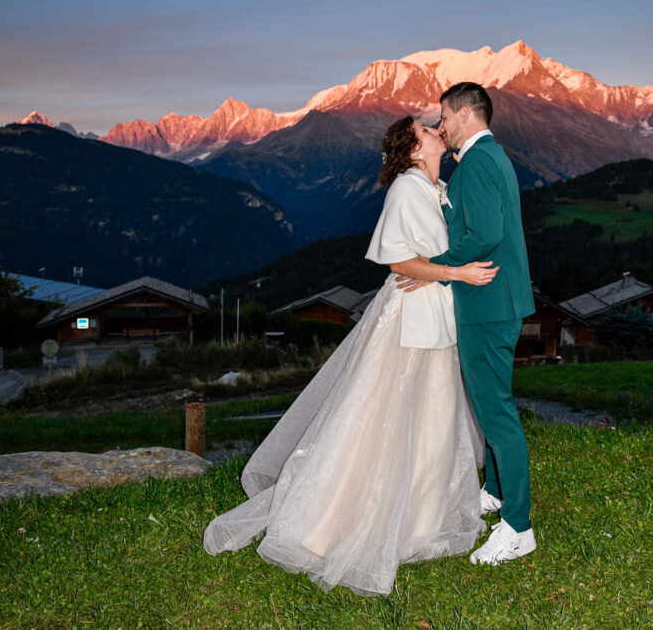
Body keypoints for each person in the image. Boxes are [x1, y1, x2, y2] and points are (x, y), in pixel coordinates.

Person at [203, 116, 498, 596]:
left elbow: (431, 254)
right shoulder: (405, 188)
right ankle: (333, 518)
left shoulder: (434, 186)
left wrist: (444, 270)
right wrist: (457, 274)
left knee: (434, 415)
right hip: (407, 319)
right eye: (426, 130)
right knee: (382, 413)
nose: (436, 130)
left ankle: (422, 518)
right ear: (413, 149)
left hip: (433, 313)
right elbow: (398, 261)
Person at [399, 82, 537, 565]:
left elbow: (484, 234)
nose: (441, 126)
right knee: (491, 403)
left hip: (487, 303)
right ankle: (496, 493)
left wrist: (432, 267)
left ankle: (518, 528)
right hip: (499, 300)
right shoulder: (493, 155)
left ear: (464, 114)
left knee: (495, 412)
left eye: (444, 117)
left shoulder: (477, 161)